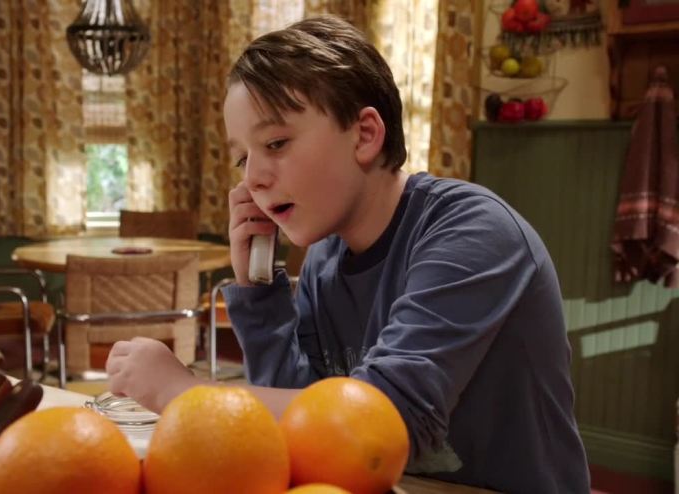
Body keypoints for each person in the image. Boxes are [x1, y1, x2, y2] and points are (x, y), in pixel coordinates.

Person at [106, 15, 590, 493]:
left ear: (365, 135)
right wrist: (257, 290)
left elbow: (380, 424)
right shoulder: (325, 257)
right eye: (242, 158)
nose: (252, 179)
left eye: (275, 143)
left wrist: (185, 393)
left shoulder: (474, 231)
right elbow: (305, 421)